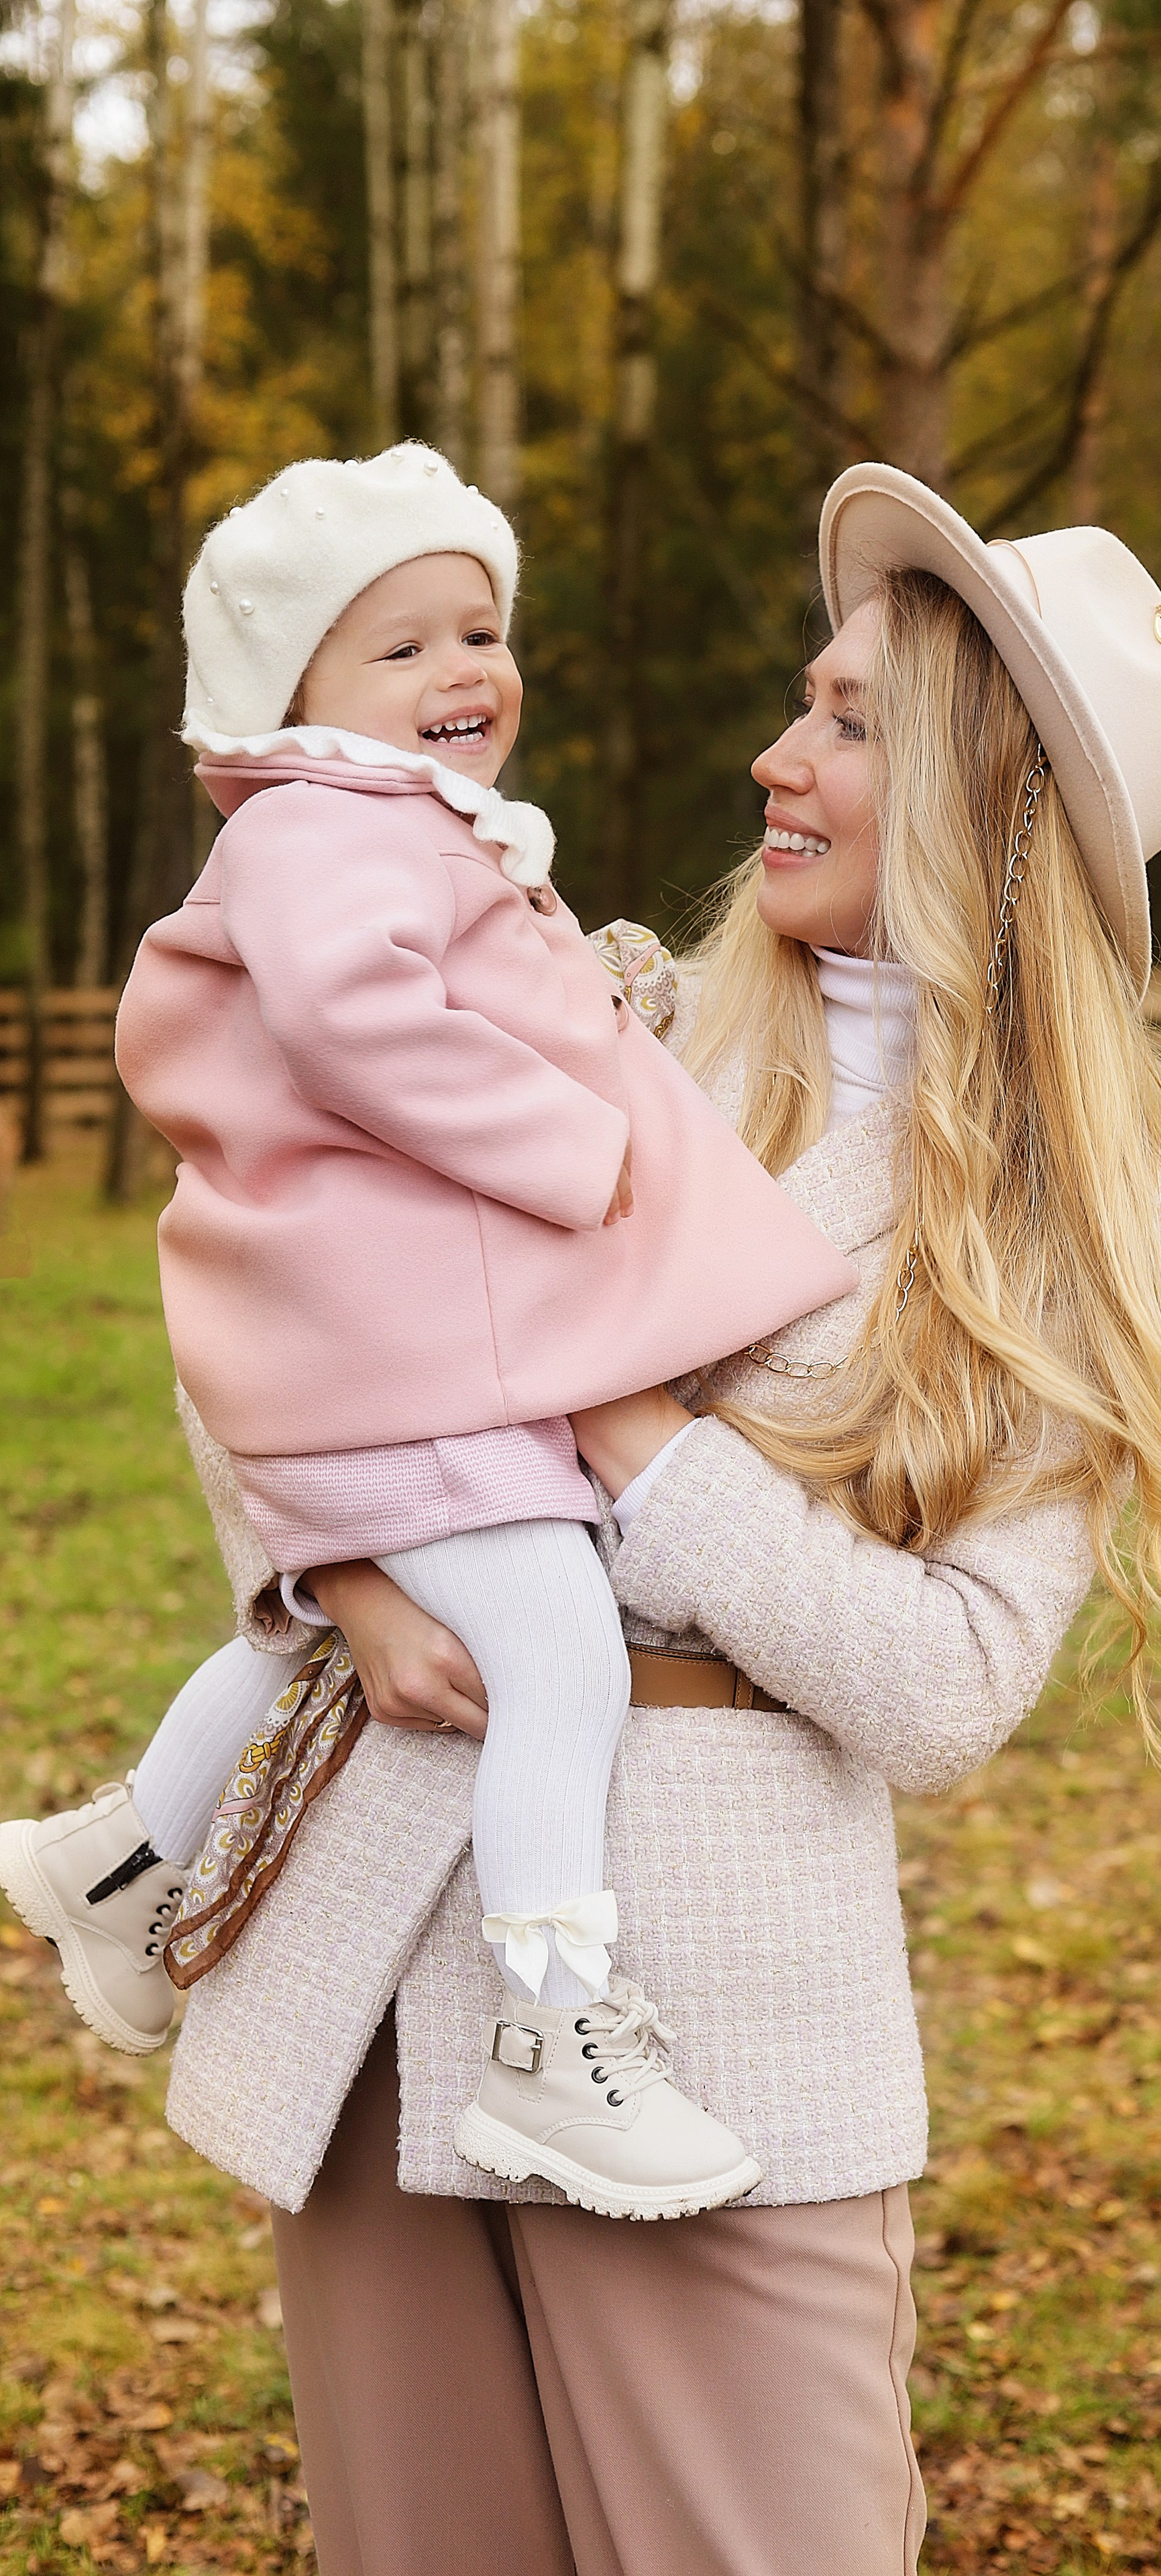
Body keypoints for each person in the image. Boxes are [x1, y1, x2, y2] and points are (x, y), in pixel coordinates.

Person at [126, 464, 1161, 2576]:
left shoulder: (1092, 1226)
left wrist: (635, 1436)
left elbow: (949, 1689)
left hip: (718, 2021)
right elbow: (261, 1295)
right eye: (799, 699)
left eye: (847, 718)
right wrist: (347, 1573)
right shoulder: (599, 1023)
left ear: (993, 798)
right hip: (386, 1949)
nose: (775, 753)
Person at [0, 442, 855, 2222]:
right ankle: (554, 2027)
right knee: (561, 1657)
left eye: (478, 627)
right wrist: (571, 1137)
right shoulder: (324, 829)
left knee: (315, 1633)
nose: (462, 670)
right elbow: (350, 1018)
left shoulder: (385, 825)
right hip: (407, 1354)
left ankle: (117, 1860)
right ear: (290, 692)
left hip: (382, 1345)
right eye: (397, 648)